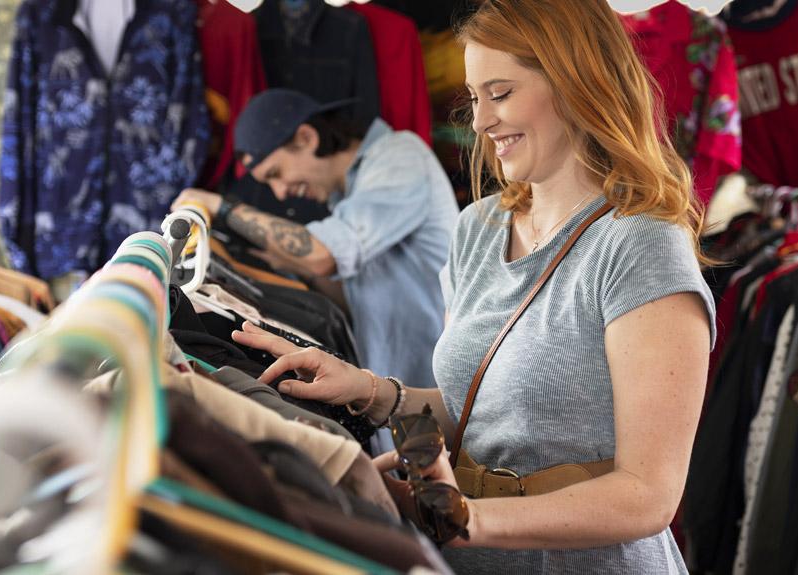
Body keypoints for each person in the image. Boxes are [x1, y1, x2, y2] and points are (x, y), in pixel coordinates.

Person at [229, 0, 716, 573]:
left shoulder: (638, 246)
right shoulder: (478, 229)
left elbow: (647, 495)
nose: (480, 120)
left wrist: (471, 519)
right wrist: (370, 391)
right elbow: (479, 413)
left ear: (574, 80)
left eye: (501, 93)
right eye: (475, 96)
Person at [172, 89, 458, 389]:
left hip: (435, 384)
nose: (280, 192)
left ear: (307, 137)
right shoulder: (348, 197)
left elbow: (324, 255)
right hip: (397, 379)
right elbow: (350, 298)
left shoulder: (399, 157)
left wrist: (222, 207)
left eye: (276, 173)